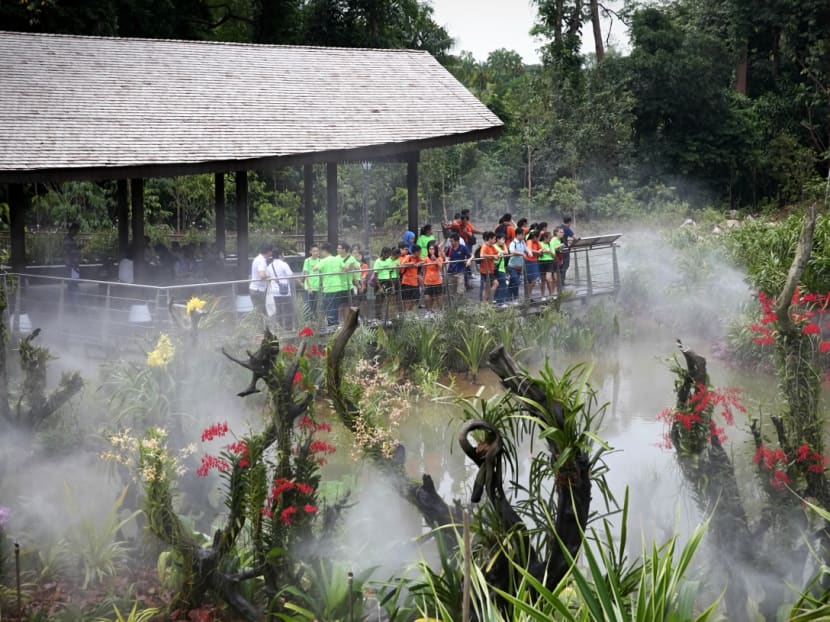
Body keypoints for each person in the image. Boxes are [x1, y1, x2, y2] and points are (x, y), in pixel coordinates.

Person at [314, 243, 343, 327]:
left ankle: (331, 324)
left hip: (328, 287)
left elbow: (314, 269)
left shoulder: (324, 261)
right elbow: (345, 267)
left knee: (328, 306)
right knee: (335, 306)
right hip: (338, 286)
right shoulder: (337, 259)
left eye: (321, 251)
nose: (321, 253)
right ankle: (334, 323)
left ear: (325, 251)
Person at [268, 248, 295, 331]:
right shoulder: (284, 264)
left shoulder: (270, 266)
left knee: (278, 310)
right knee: (287, 310)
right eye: (283, 254)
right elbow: (290, 275)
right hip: (285, 291)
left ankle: (279, 328)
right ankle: (288, 328)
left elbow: (268, 277)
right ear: (280, 255)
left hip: (275, 292)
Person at [445, 233, 471, 304]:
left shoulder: (463, 248)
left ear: (457, 241)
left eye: (452, 241)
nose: (451, 243)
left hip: (460, 272)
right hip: (451, 272)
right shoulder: (450, 249)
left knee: (460, 291)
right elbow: (447, 256)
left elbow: (471, 255)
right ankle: (453, 307)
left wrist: (469, 260)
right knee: (451, 291)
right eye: (450, 241)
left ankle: (459, 304)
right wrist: (447, 260)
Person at [249, 242, 273, 315]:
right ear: (268, 251)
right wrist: (271, 277)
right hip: (259, 290)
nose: (272, 253)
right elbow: (262, 275)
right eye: (271, 251)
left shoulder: (257, 258)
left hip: (254, 288)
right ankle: (261, 326)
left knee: (259, 312)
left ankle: (261, 326)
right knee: (262, 313)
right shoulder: (261, 261)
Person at [373, 247, 396, 321]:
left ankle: (387, 318)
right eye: (388, 254)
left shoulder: (389, 261)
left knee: (388, 301)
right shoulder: (377, 262)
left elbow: (390, 274)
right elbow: (376, 275)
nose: (389, 256)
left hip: (388, 282)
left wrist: (392, 285)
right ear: (383, 253)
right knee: (379, 301)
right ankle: (378, 318)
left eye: (390, 254)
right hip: (380, 282)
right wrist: (379, 287)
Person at [398, 244, 423, 312]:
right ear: (416, 252)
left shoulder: (417, 258)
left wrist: (419, 263)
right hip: (406, 281)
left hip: (414, 282)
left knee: (415, 299)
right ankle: (406, 313)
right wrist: (410, 264)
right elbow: (402, 265)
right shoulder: (408, 257)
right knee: (406, 299)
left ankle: (410, 312)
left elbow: (423, 261)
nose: (420, 253)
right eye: (420, 251)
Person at [422, 242, 444, 311]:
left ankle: (441, 311)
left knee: (438, 297)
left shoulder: (439, 257)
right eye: (430, 249)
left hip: (437, 281)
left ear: (436, 250)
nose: (431, 251)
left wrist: (436, 259)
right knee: (427, 298)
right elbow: (424, 269)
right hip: (428, 281)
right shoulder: (426, 258)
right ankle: (429, 311)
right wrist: (423, 280)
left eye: (433, 249)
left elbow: (441, 267)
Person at [63, 222, 81, 305]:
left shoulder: (71, 239)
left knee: (73, 284)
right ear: (73, 229)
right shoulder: (67, 239)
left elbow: (72, 251)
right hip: (72, 267)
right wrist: (71, 266)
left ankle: (73, 303)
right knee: (73, 285)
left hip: (74, 267)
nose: (77, 233)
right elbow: (66, 253)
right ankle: (74, 304)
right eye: (76, 231)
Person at [507, 228, 527, 301]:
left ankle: (509, 298)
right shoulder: (513, 243)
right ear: (518, 235)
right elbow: (512, 251)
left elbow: (526, 249)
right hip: (512, 266)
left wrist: (530, 252)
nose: (524, 236)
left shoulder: (523, 242)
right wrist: (521, 253)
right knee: (516, 282)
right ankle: (515, 298)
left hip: (519, 267)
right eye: (523, 235)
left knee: (512, 283)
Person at [559, 215, 579, 287]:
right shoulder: (566, 228)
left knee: (560, 265)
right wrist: (572, 244)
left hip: (558, 249)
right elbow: (575, 238)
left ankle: (559, 281)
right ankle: (561, 282)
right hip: (564, 249)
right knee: (565, 265)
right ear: (569, 222)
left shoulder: (559, 227)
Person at [302, 245, 321, 316]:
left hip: (317, 286)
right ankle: (307, 321)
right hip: (308, 287)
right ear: (310, 252)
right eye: (314, 251)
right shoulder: (307, 261)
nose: (316, 253)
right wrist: (309, 287)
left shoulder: (320, 261)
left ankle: (314, 321)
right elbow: (306, 274)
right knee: (307, 305)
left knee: (314, 306)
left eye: (317, 251)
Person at [524, 229, 542, 300]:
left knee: (533, 280)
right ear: (534, 237)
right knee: (531, 280)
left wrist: (537, 252)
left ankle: (529, 295)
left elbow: (541, 249)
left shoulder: (537, 242)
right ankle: (528, 295)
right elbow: (529, 250)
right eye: (538, 237)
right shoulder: (529, 241)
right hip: (529, 262)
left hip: (534, 262)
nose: (538, 239)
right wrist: (537, 252)